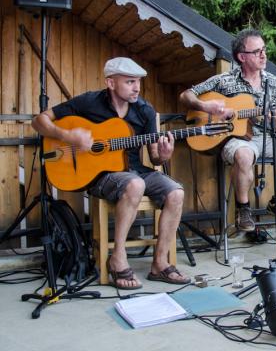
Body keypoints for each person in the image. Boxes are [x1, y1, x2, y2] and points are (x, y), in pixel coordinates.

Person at [31, 57, 189, 289]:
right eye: (130, 82)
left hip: (136, 171)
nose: (137, 88)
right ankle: (118, 258)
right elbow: (39, 121)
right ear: (111, 83)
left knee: (176, 192)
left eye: (138, 82)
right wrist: (67, 136)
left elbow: (155, 157)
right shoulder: (89, 102)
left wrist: (164, 155)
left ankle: (160, 264)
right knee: (135, 184)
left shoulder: (145, 110)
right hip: (102, 176)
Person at [179, 28, 276, 232]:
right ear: (242, 57)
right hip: (240, 141)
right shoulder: (224, 80)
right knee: (244, 155)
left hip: (271, 138)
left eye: (264, 49)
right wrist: (205, 106)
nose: (263, 55)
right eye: (257, 52)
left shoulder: (275, 83)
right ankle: (243, 210)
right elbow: (186, 95)